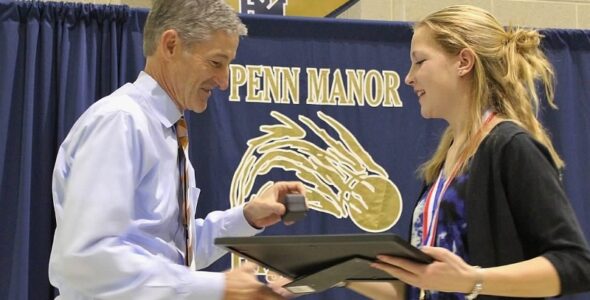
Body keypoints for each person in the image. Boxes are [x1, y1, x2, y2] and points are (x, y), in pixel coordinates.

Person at [268, 5, 590, 300]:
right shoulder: (445, 161)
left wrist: (472, 280)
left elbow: (575, 266)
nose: (409, 77)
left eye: (420, 61)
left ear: (464, 62)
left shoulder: (510, 147)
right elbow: (415, 286)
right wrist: (332, 273)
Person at [48, 0, 305, 299]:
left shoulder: (168, 132)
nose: (224, 82)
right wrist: (220, 287)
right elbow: (87, 258)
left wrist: (247, 217)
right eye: (216, 63)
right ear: (170, 45)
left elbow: (171, 251)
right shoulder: (121, 122)